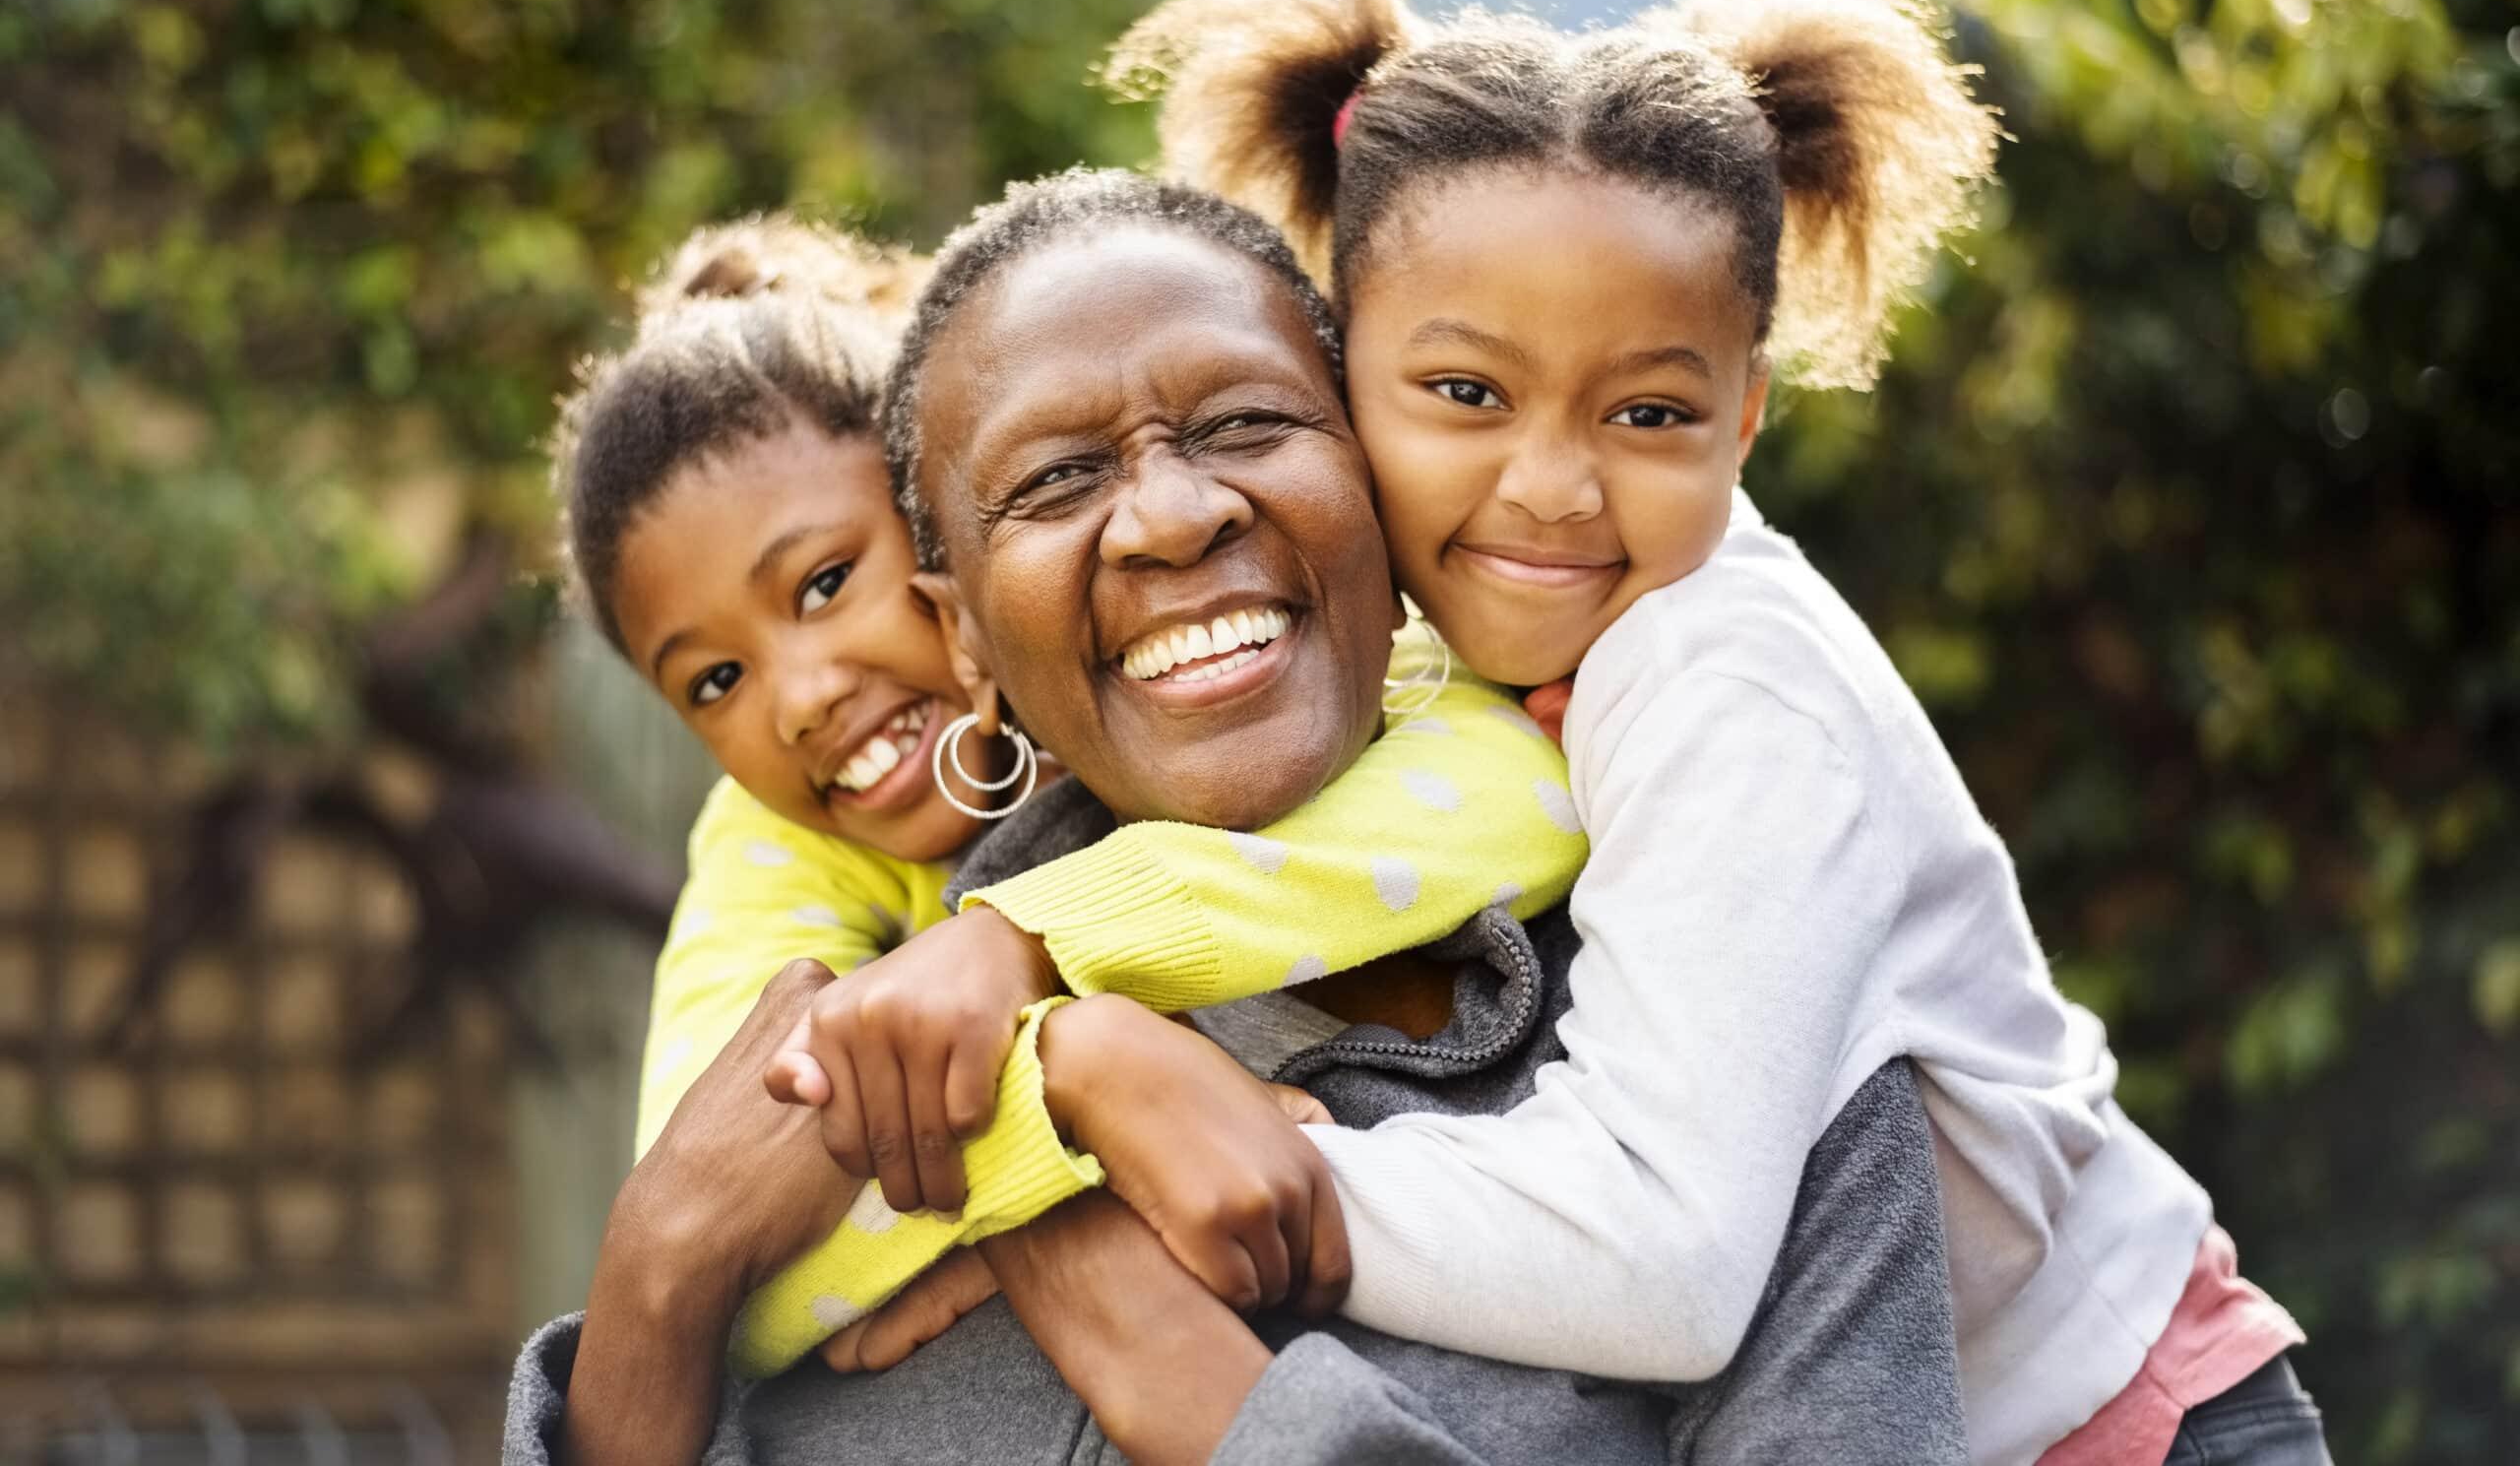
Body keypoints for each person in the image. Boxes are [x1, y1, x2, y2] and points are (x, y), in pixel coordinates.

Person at [1102, 0, 2330, 1466]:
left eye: (1649, 411)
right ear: (1339, 369)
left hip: (2130, 1429)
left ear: (1745, 418)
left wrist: (1286, 1175)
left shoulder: (1724, 686)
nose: (1550, 487)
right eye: (1466, 393)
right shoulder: (1438, 648)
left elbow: (1666, 1262)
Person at [505, 168, 1969, 1466]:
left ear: (1381, 485)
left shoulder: (1731, 1042)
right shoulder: (876, 1090)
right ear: (962, 635)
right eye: (1057, 479)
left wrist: (1203, 1392)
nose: (1169, 515)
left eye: (1251, 422)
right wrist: (662, 1277)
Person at [547, 213, 1585, 1377]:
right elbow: (716, 1197)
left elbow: (1526, 791)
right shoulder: (771, 842)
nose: (797, 696)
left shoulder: (1316, 648)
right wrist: (1065, 1119)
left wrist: (1036, 947)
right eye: (715, 679)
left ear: (945, 523)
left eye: (829, 580)